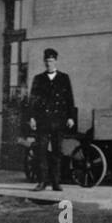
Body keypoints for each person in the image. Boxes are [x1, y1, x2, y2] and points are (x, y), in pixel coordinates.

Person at [28, 48, 76, 191]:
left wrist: (71, 117)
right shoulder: (38, 79)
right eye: (47, 61)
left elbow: (69, 99)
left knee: (57, 152)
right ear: (44, 62)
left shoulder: (64, 78)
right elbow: (32, 100)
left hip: (58, 120)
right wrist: (32, 118)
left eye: (51, 61)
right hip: (42, 121)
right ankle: (42, 182)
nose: (49, 63)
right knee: (41, 151)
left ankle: (56, 182)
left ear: (56, 61)